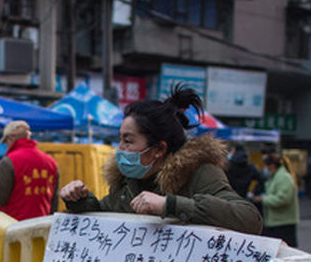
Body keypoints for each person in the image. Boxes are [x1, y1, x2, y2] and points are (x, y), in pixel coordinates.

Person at [59, 86, 263, 235]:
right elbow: (105, 216)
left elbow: (250, 219)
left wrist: (171, 205)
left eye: (128, 141)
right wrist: (80, 201)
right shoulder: (127, 183)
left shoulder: (199, 173)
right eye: (119, 140)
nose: (119, 149)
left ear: (159, 149)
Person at [0, 119, 59, 219]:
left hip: (14, 223)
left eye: (5, 142)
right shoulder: (51, 162)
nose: (6, 146)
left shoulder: (9, 161)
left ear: (10, 138)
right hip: (42, 223)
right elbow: (54, 202)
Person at [253, 151, 300, 246]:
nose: (265, 169)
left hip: (283, 223)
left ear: (272, 166)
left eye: (266, 166)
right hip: (275, 221)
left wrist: (263, 199)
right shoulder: (275, 177)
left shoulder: (283, 178)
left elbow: (283, 199)